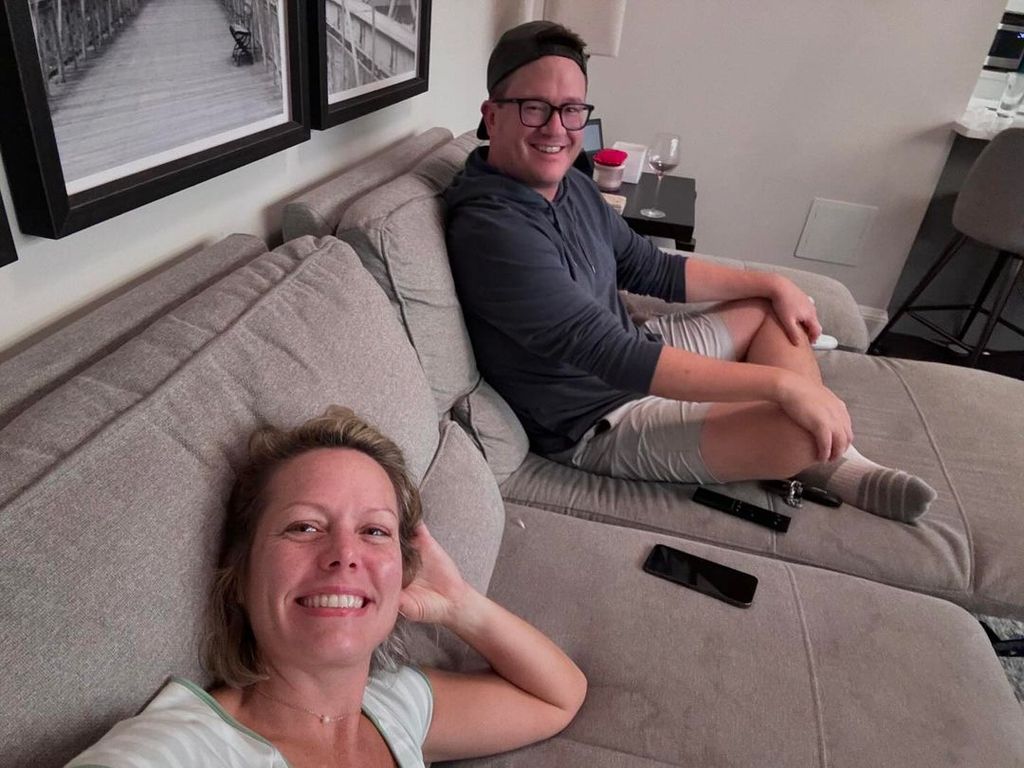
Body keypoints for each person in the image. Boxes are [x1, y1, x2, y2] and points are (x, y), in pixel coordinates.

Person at [444, 21, 935, 523]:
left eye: (571, 110)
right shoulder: (491, 228)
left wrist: (774, 284)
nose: (557, 129)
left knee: (771, 311)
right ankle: (826, 456)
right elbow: (609, 354)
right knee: (800, 429)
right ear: (493, 115)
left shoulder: (572, 186)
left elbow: (650, 268)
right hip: (596, 418)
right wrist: (783, 386)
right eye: (534, 108)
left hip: (640, 351)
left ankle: (821, 455)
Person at [67, 406, 587, 767]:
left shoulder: (394, 708)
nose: (345, 553)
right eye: (304, 526)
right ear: (240, 577)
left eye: (374, 531)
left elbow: (557, 698)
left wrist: (459, 604)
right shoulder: (179, 751)